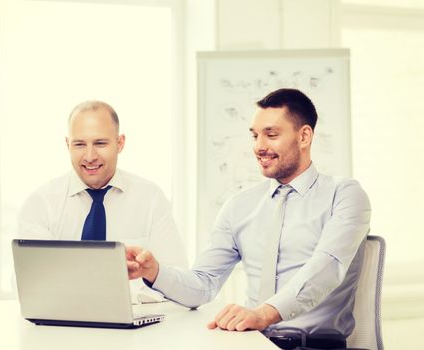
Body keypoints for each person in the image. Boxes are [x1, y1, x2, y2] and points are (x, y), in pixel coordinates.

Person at [127, 88, 371, 349]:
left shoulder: (344, 195)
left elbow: (327, 268)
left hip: (313, 344)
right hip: (250, 342)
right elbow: (202, 285)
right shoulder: (239, 206)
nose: (259, 147)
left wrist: (263, 314)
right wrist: (154, 272)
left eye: (271, 135)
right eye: (255, 136)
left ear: (304, 136)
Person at [17, 100, 187, 302]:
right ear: (67, 145)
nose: (90, 156)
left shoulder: (151, 198)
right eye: (79, 144)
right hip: (62, 326)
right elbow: (28, 281)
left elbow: (178, 279)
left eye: (100, 143)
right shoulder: (40, 204)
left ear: (120, 143)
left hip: (135, 326)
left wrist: (147, 275)